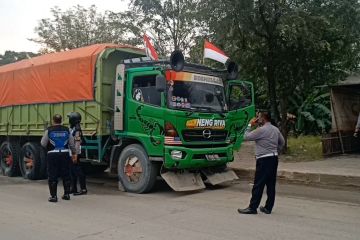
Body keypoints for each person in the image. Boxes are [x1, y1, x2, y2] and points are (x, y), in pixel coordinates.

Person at [238, 111, 285, 214]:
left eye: (258, 117)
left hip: (263, 160)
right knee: (271, 184)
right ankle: (268, 208)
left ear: (263, 119)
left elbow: (245, 137)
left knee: (258, 184)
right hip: (274, 159)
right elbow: (282, 142)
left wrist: (250, 125)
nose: (257, 119)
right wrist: (274, 150)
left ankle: (252, 207)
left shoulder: (261, 130)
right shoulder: (275, 129)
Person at [41, 114, 76, 202]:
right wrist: (74, 153)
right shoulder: (67, 130)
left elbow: (43, 143)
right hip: (64, 154)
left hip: (52, 155)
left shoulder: (49, 130)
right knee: (66, 174)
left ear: (53, 121)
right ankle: (67, 194)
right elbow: (72, 143)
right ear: (61, 120)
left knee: (52, 175)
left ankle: (53, 196)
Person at [68, 112, 88, 195]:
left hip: (75, 152)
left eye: (70, 118)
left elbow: (77, 142)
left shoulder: (77, 130)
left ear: (73, 120)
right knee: (72, 170)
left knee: (78, 170)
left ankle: (83, 189)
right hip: (72, 151)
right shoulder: (74, 128)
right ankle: (74, 188)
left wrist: (75, 154)